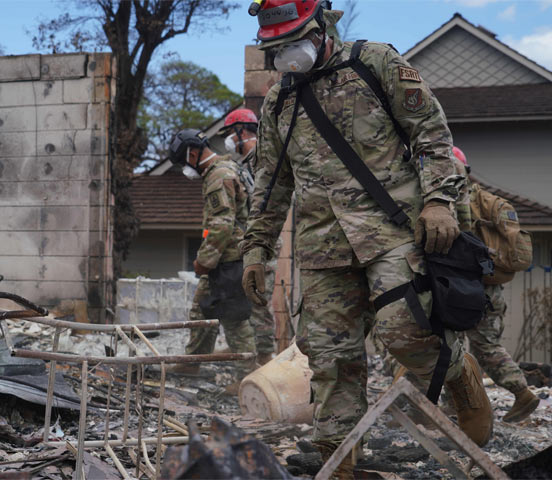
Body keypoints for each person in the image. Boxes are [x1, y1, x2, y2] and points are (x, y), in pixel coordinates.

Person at [240, 1, 493, 476]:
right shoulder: (279, 103)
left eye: (292, 42)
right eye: (276, 48)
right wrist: (257, 247)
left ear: (321, 28)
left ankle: (462, 374)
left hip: (392, 228)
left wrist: (439, 199)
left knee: (405, 329)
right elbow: (272, 184)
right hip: (322, 244)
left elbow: (432, 135)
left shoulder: (375, 63)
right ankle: (341, 463)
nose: (286, 55)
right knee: (331, 358)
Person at [452, 146, 540, 423]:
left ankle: (447, 405)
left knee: (447, 347)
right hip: (487, 289)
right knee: (485, 345)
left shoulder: (447, 202)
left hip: (457, 287)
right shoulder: (492, 203)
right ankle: (521, 391)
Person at [167, 129, 257, 393]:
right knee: (201, 310)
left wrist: (204, 261)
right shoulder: (225, 168)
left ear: (193, 154)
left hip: (228, 260)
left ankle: (248, 377)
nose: (186, 169)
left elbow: (221, 225)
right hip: (223, 258)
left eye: (185, 163)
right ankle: (193, 361)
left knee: (234, 319)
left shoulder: (218, 176)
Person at [221, 108, 277, 365]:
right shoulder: (246, 163)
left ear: (241, 131)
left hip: (263, 241)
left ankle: (265, 359)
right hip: (252, 240)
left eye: (230, 134)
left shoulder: (261, 157)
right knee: (249, 300)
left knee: (258, 300)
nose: (229, 140)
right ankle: (254, 358)